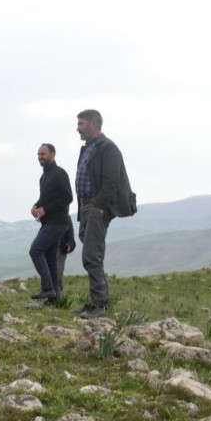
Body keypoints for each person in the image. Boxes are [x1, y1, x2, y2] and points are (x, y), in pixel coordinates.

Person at [74, 109, 137, 319]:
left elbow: (111, 181)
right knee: (91, 251)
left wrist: (99, 207)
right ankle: (101, 300)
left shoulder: (108, 148)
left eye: (81, 124)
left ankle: (99, 305)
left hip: (96, 207)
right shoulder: (88, 148)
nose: (78, 129)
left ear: (93, 124)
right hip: (86, 207)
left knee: (91, 255)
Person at [29, 143, 74, 302]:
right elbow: (45, 198)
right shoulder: (44, 177)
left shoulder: (60, 173)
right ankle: (54, 297)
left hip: (58, 222)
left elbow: (68, 197)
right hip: (48, 223)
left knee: (35, 250)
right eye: (39, 154)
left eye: (43, 154)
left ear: (53, 155)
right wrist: (36, 206)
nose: (40, 157)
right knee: (50, 258)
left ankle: (47, 287)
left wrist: (45, 209)